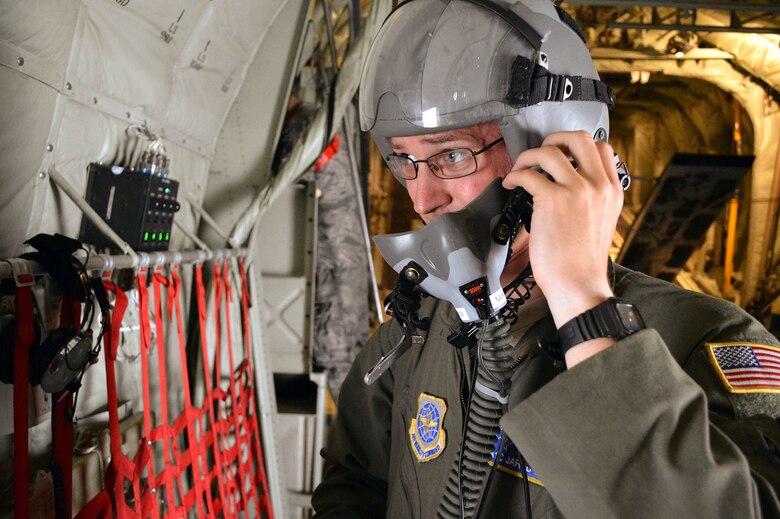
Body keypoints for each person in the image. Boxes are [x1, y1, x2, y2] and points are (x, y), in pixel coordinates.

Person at [311, 0, 780, 517]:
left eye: (451, 155)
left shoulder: (706, 344)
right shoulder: (416, 330)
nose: (423, 201)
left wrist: (584, 305)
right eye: (406, 160)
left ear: (559, 150)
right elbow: (354, 485)